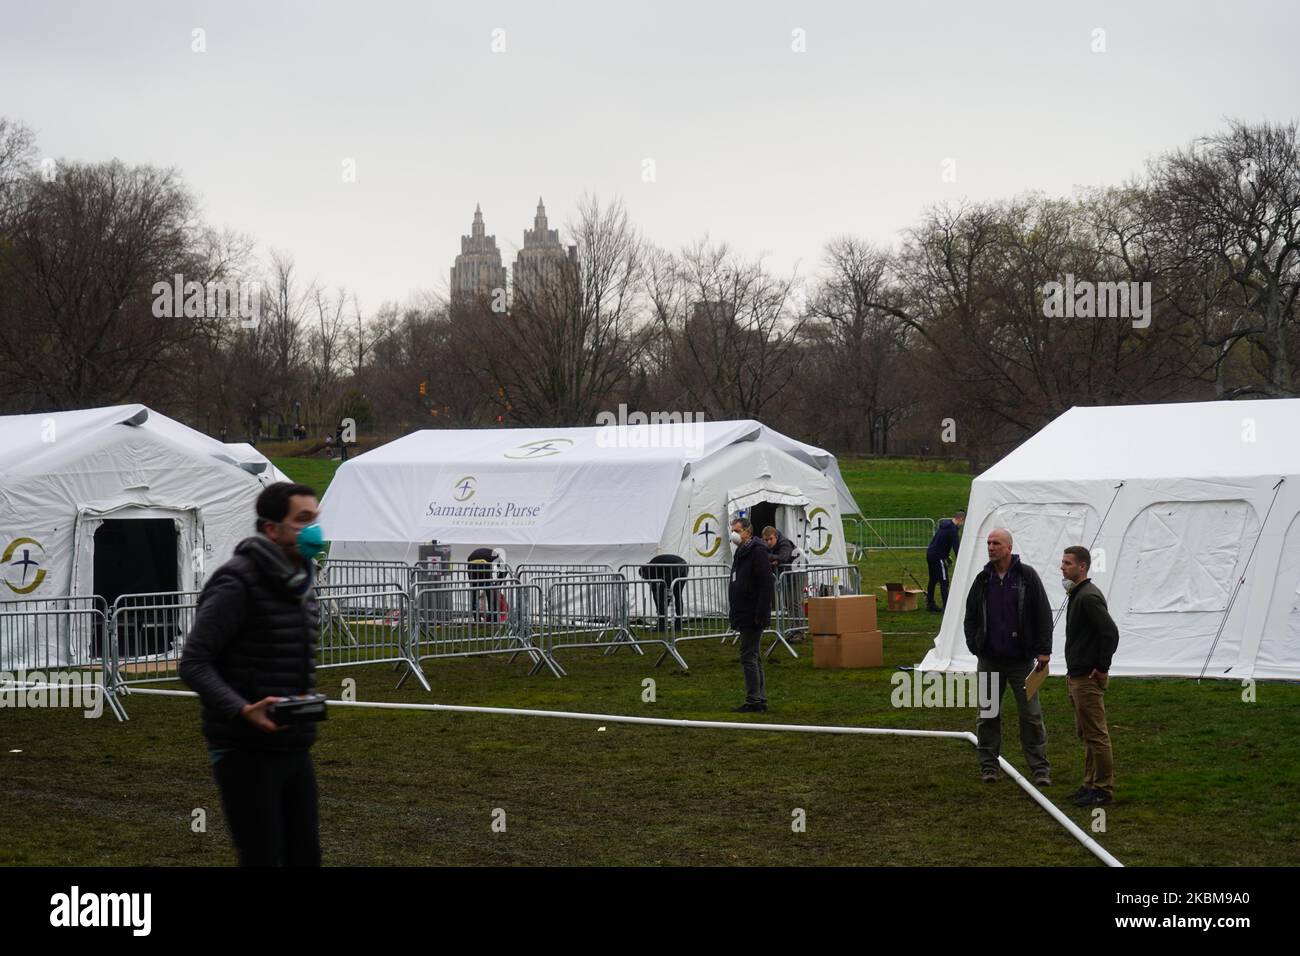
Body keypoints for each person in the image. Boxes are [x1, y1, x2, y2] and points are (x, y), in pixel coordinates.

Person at [179, 482, 326, 866]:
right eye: (303, 520)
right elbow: (194, 662)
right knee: (264, 858)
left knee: (306, 858)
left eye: (316, 519)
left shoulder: (301, 583)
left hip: (294, 744)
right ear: (271, 529)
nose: (314, 530)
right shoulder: (236, 582)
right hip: (244, 750)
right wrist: (244, 709)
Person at [963, 527, 1053, 786]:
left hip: (1021, 663)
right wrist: (975, 645)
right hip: (990, 660)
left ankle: (1040, 768)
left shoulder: (1027, 577)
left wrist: (1044, 650)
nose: (991, 547)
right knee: (988, 715)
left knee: (1031, 715)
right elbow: (970, 615)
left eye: (996, 543)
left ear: (1009, 548)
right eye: (989, 543)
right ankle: (989, 766)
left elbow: (1043, 614)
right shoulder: (982, 579)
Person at [1061, 545, 1119, 807]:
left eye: (1067, 563)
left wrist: (1101, 667)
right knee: (1086, 734)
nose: (1062, 567)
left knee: (1096, 734)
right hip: (1077, 673)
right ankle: (1089, 784)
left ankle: (1103, 788)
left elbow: (1109, 632)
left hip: (1087, 676)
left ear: (1082, 566)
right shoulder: (1078, 594)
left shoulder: (1088, 597)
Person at [728, 517, 773, 713]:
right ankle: (759, 698)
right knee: (753, 656)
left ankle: (754, 699)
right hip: (743, 611)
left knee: (748, 656)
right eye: (732, 530)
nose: (734, 533)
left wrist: (761, 612)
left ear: (747, 531)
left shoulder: (757, 552)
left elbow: (766, 584)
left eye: (737, 530)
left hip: (753, 613)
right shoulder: (740, 552)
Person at [926, 509, 965, 612]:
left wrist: (947, 556)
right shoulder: (953, 530)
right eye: (963, 521)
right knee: (944, 581)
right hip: (938, 557)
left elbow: (941, 542)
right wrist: (961, 562)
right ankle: (947, 607)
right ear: (961, 519)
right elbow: (956, 547)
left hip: (930, 553)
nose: (963, 524)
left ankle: (930, 604)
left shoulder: (945, 525)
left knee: (933, 580)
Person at [637, 554, 689, 632]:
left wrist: (660, 606)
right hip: (684, 565)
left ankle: (661, 625)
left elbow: (655, 591)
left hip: (674, 567)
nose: (646, 579)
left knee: (662, 596)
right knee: (677, 594)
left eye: (644, 577)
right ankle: (678, 625)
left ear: (644, 572)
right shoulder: (654, 565)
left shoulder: (650, 569)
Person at [467, 546, 508, 621]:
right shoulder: (496, 555)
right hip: (483, 565)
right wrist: (497, 585)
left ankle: (476, 619)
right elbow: (504, 571)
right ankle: (493, 619)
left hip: (471, 566)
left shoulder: (485, 553)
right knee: (491, 594)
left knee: (474, 593)